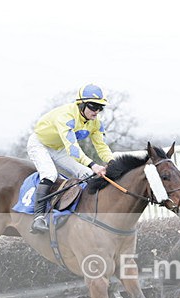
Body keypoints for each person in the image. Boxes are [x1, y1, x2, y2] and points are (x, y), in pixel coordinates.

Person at [26, 83, 115, 233]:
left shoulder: (96, 123)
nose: (97, 111)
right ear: (81, 104)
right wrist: (93, 164)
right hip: (40, 144)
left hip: (59, 148)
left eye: (100, 107)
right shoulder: (66, 116)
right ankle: (38, 218)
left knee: (87, 174)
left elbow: (101, 147)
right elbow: (73, 149)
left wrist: (112, 162)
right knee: (50, 174)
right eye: (93, 106)